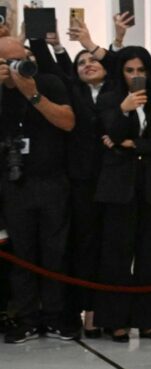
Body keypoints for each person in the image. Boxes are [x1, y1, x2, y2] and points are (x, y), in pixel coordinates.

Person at [94, 46, 151, 343]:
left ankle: (150, 321)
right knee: (117, 254)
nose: (135, 76)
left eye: (140, 70)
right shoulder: (109, 99)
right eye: (129, 70)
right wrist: (124, 110)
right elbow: (111, 135)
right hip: (119, 187)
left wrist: (135, 144)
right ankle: (115, 321)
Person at [0, 37, 77, 344]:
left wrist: (33, 95)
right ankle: (27, 318)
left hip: (51, 181)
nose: (16, 66)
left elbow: (68, 122)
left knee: (55, 251)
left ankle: (56, 316)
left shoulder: (48, 82)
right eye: (8, 62)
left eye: (21, 59)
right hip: (14, 183)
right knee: (22, 253)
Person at [66, 50, 118, 339]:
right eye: (81, 62)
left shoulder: (117, 90)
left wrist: (103, 44)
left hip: (116, 177)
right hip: (83, 180)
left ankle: (113, 312)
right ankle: (88, 312)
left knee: (114, 245)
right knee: (86, 245)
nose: (88, 65)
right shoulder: (73, 93)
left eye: (93, 60)